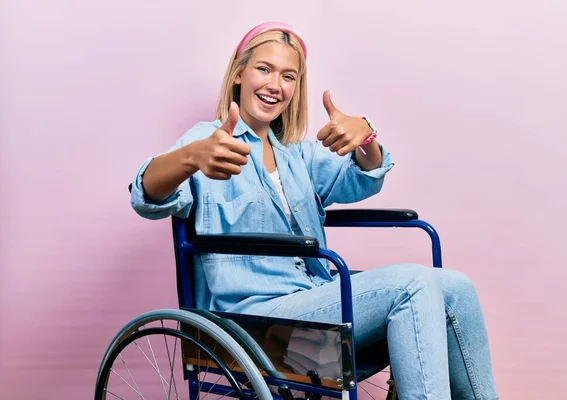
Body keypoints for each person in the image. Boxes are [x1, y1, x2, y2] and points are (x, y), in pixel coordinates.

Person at [130, 21, 498, 400]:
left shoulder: (298, 155)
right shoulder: (207, 140)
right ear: (239, 73)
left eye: (288, 76)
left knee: (455, 286)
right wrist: (189, 159)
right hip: (251, 323)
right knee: (414, 283)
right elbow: (147, 195)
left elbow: (362, 178)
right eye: (264, 69)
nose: (275, 85)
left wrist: (365, 137)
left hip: (314, 302)